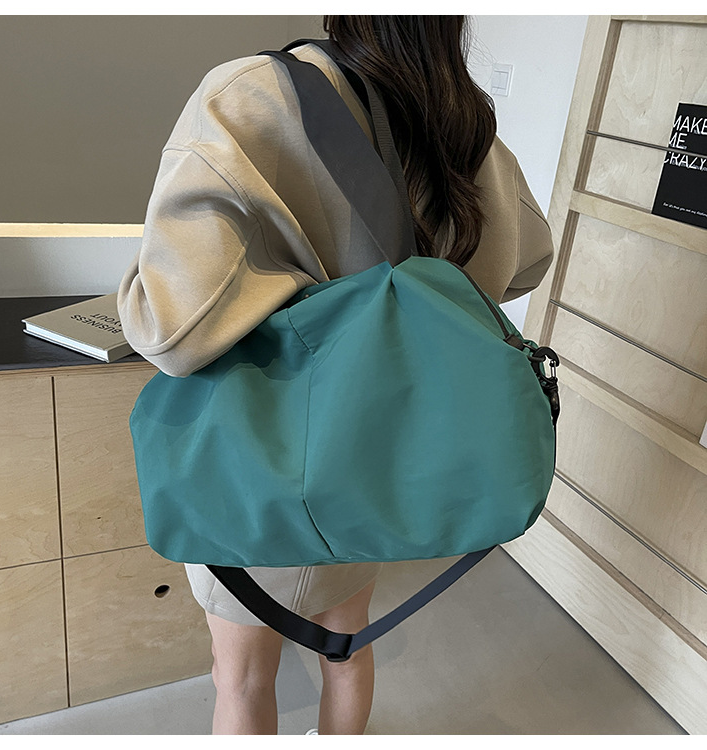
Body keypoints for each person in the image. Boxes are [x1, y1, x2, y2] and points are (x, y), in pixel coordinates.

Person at [118, 15, 553, 735]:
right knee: (346, 645)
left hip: (263, 467)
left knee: (241, 679)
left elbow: (172, 329)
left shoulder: (247, 96)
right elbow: (525, 264)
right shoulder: (459, 116)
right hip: (375, 455)